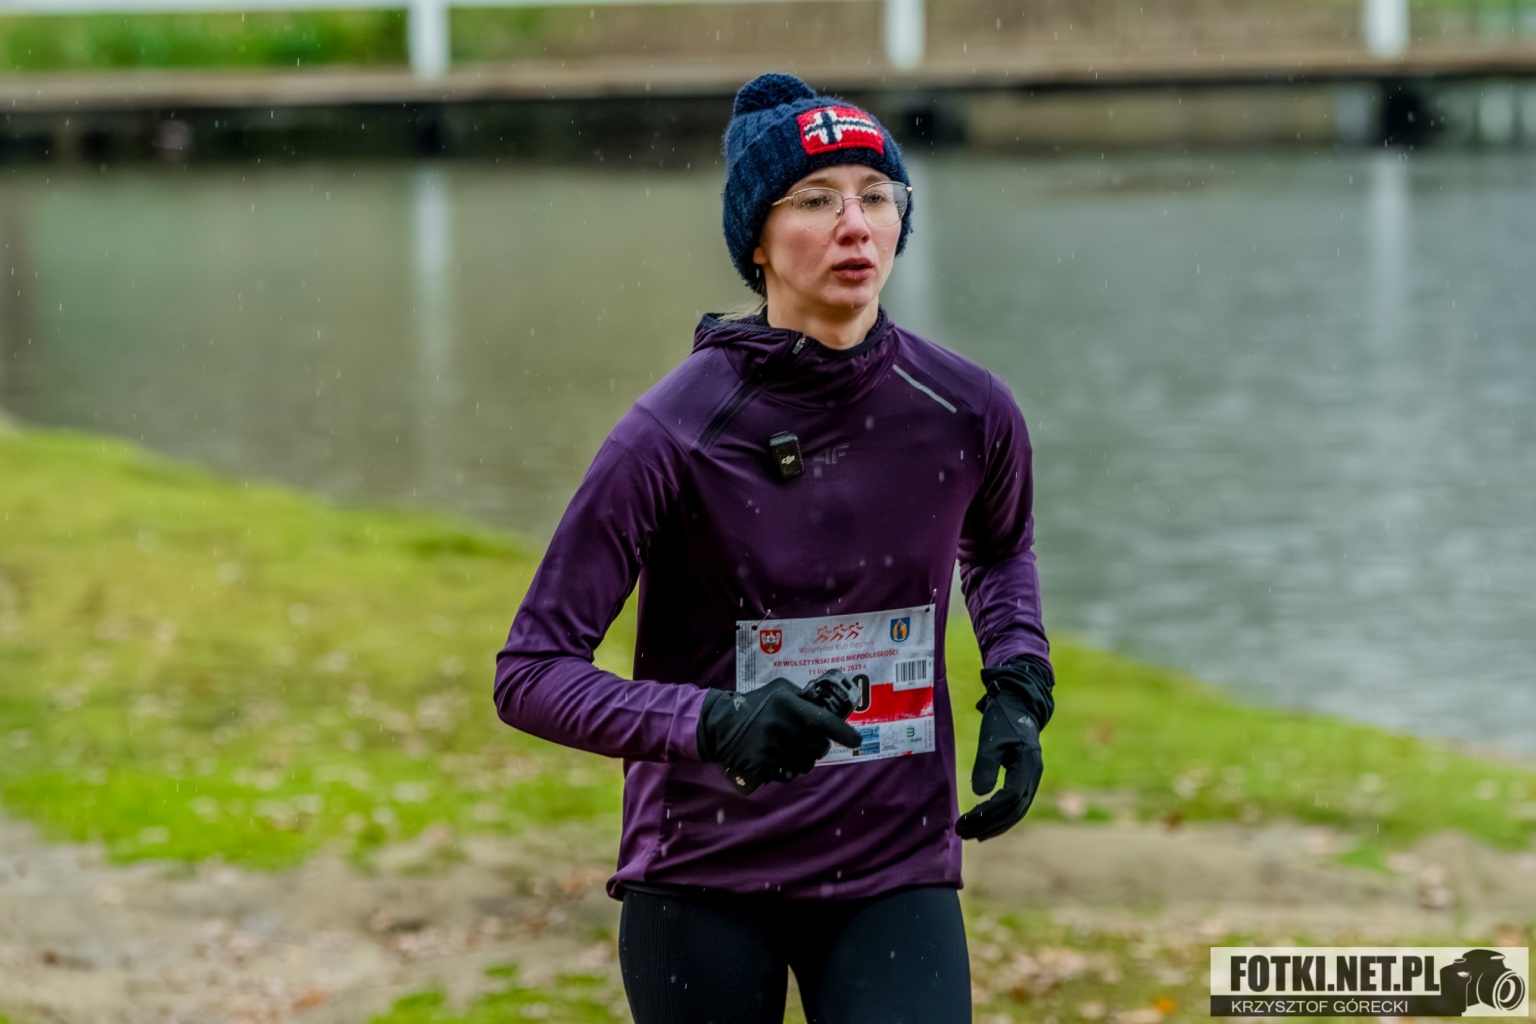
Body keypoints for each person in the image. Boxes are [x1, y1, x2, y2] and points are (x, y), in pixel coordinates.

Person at [494, 72, 1054, 1024]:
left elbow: (999, 547)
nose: (855, 226)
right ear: (756, 240)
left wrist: (1018, 684)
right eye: (816, 200)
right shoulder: (673, 431)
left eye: (876, 196)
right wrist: (715, 722)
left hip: (892, 864)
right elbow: (531, 673)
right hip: (705, 871)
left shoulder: (966, 409)